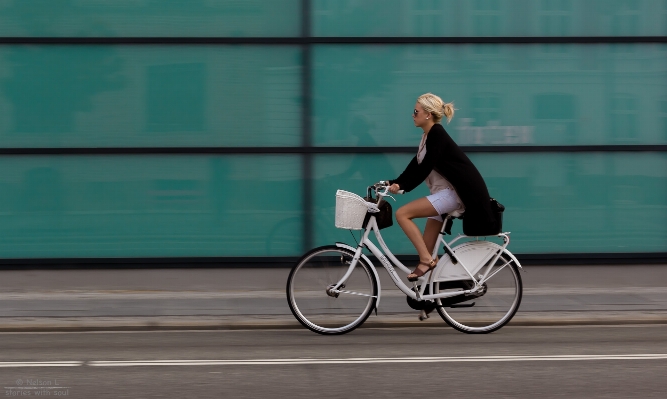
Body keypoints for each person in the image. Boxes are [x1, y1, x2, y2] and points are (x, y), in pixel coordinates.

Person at [388, 93, 498, 282]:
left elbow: (425, 167)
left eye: (416, 111)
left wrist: (404, 187)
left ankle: (427, 260)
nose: (413, 115)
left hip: (453, 195)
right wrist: (393, 182)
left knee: (402, 214)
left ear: (428, 114)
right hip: (442, 194)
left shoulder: (437, 134)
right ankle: (428, 297)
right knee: (428, 250)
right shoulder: (427, 137)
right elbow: (415, 165)